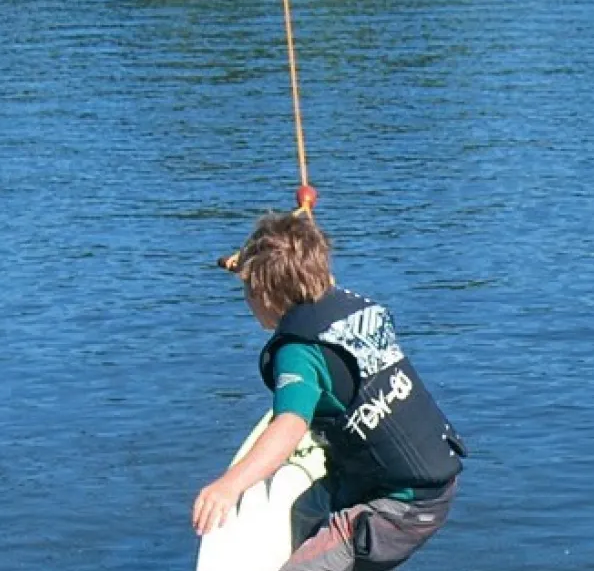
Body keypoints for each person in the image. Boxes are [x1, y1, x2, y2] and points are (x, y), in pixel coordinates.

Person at [193, 211, 467, 571]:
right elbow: (301, 270)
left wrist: (229, 485)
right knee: (302, 512)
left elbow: (289, 427)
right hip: (426, 477)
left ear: (262, 291)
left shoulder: (298, 352)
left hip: (400, 506)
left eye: (247, 288)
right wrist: (257, 262)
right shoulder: (351, 306)